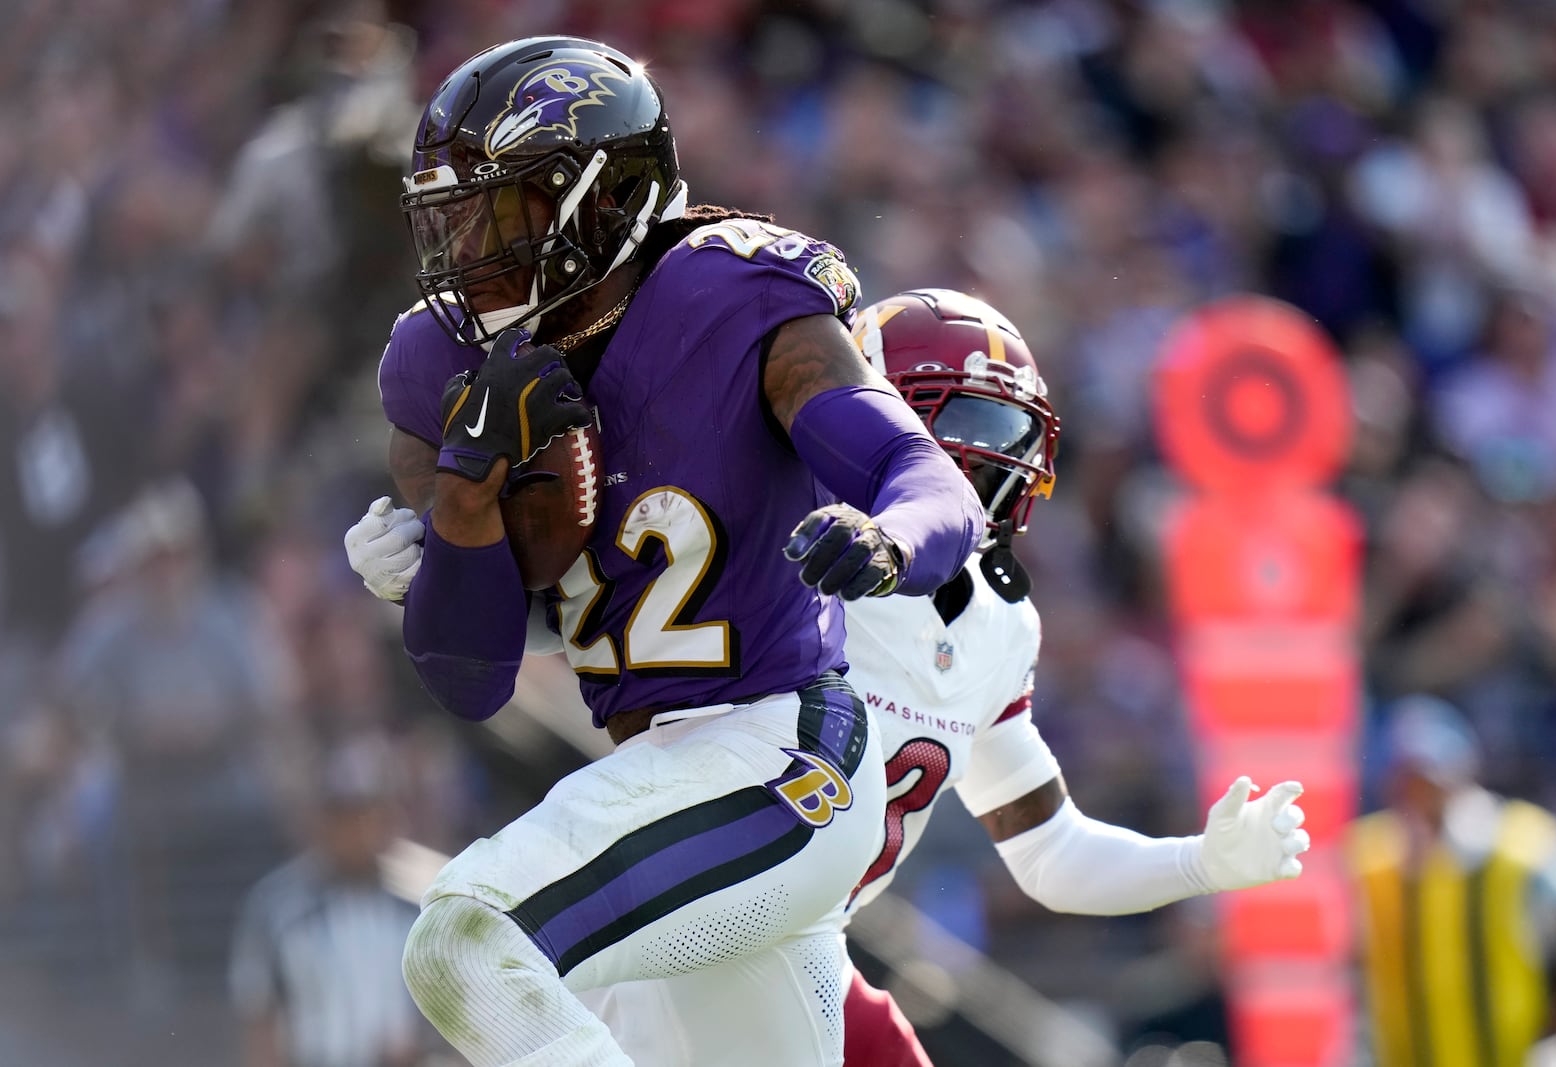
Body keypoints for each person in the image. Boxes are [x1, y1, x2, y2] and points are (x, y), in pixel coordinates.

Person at [350, 288, 1310, 1065]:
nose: (994, 456)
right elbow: (584, 619)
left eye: (1008, 430)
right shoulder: (781, 531)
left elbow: (1049, 848)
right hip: (679, 922)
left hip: (802, 944)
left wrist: (1200, 863)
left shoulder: (998, 621)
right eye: (966, 415)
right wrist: (443, 568)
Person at [347, 35, 983, 1067]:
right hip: (668, 772)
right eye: (450, 216)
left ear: (604, 199)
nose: (468, 248)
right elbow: (469, 677)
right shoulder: (442, 362)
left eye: (498, 210)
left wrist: (885, 537)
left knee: (469, 938)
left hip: (779, 751)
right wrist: (462, 506)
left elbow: (925, 483)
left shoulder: (736, 300)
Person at [1347, 695, 1556, 1067]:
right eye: (1404, 783)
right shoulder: (1370, 854)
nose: (1418, 797)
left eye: (1426, 781)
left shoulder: (1521, 843)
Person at [229, 739, 439, 1067]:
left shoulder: (420, 901)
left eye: (367, 814)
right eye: (344, 816)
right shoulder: (277, 906)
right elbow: (259, 1014)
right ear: (320, 821)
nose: (356, 830)